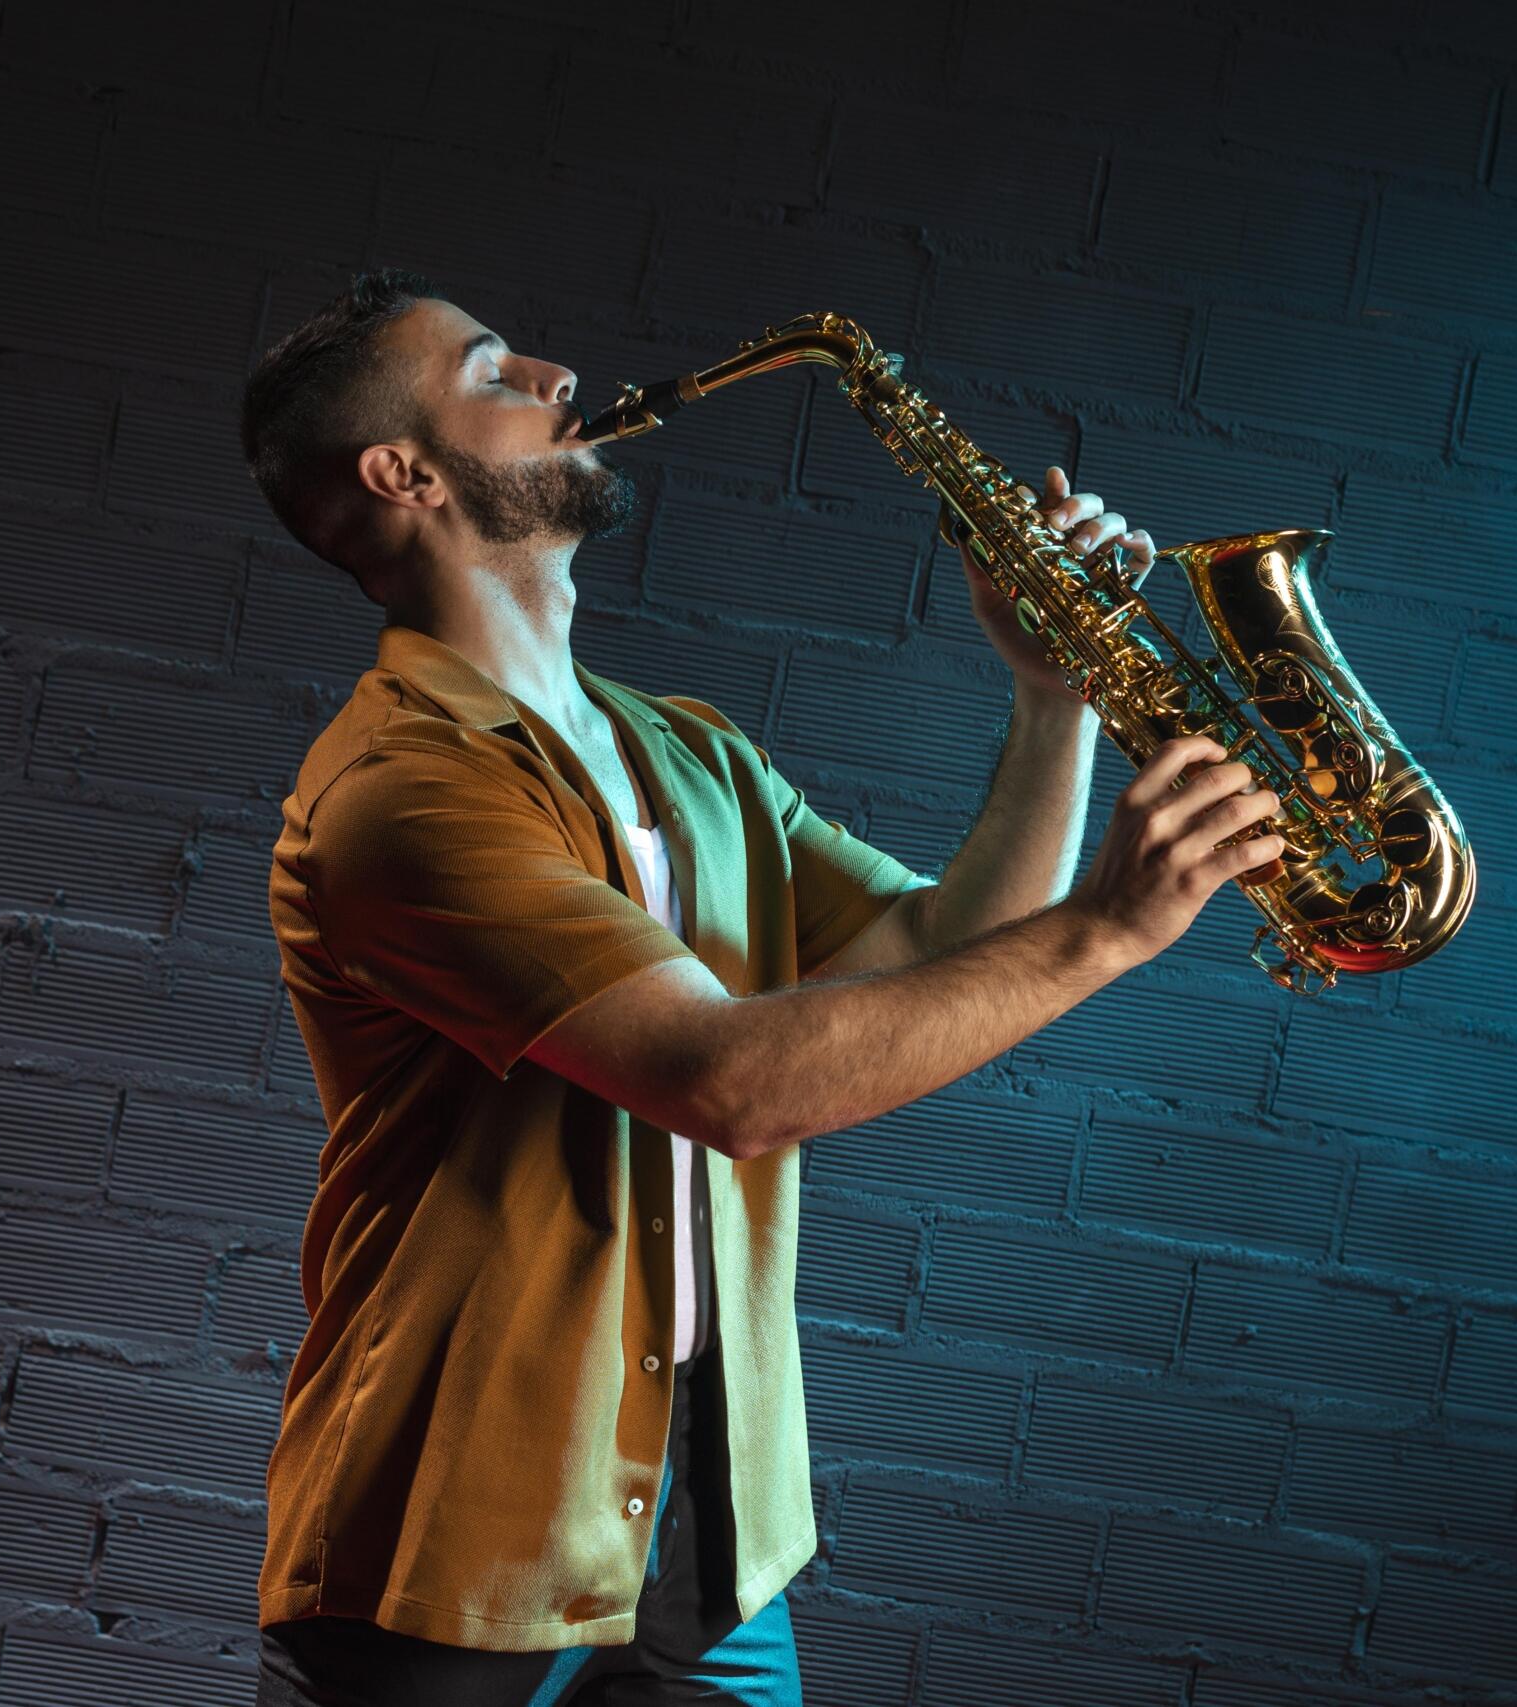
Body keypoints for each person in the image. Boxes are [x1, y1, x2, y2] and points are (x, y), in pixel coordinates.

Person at [236, 269, 1287, 1705]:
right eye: (492, 369)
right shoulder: (400, 793)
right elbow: (732, 1083)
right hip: (450, 1552)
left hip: (708, 1539)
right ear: (405, 473)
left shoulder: (692, 755)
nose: (555, 371)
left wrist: (1055, 700)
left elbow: (940, 945)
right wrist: (1109, 930)